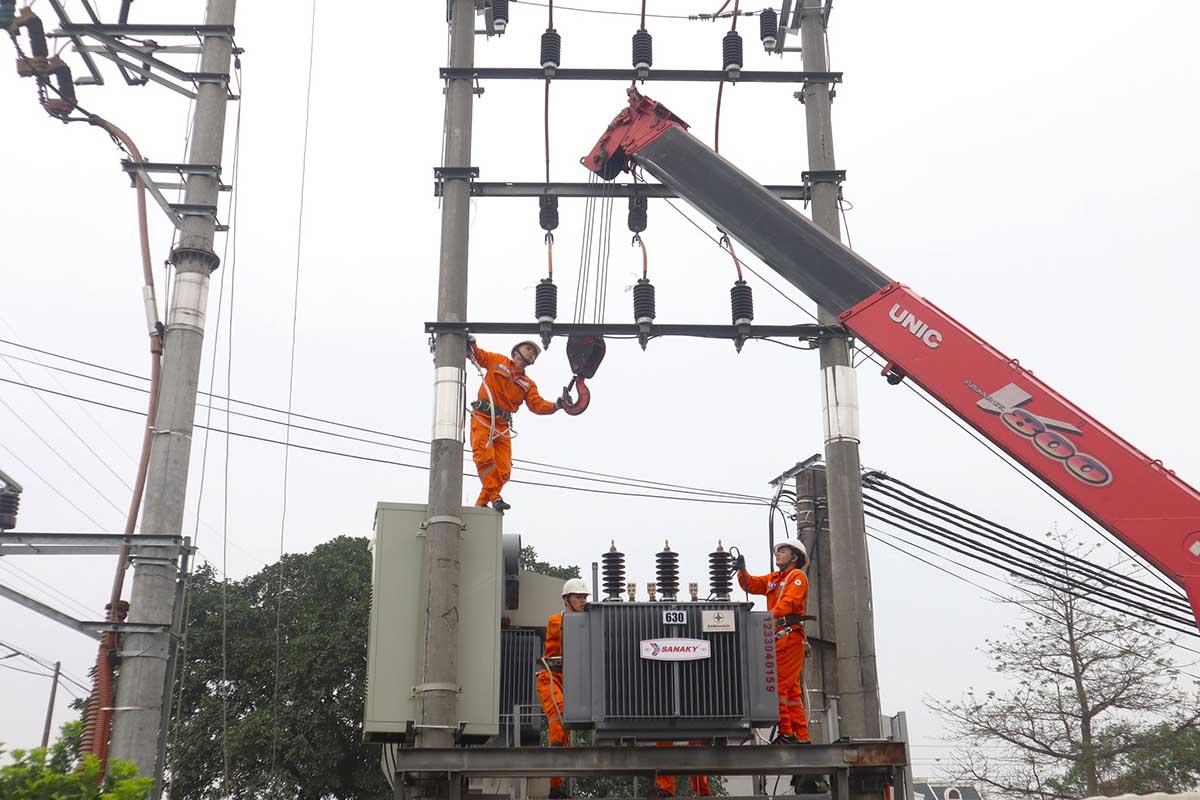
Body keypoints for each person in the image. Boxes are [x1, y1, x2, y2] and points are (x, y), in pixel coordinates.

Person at [468, 336, 562, 513]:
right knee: (485, 458)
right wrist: (471, 342)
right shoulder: (497, 360)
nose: (532, 353)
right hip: (483, 417)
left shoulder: (528, 384)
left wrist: (558, 405)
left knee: (504, 470)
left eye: (534, 353)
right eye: (529, 349)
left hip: (502, 425)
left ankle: (481, 504)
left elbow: (537, 405)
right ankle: (495, 498)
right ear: (516, 351)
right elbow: (477, 356)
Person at [734, 539, 810, 743]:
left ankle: (786, 733)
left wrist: (765, 619)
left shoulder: (797, 577)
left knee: (776, 684)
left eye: (782, 551)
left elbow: (788, 604)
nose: (777, 554)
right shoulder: (775, 579)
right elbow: (752, 584)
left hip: (789, 636)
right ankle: (801, 738)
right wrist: (742, 570)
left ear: (794, 556)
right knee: (792, 692)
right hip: (779, 637)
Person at [536, 578, 589, 799]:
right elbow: (567, 632)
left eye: (585, 597)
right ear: (567, 600)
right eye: (578, 597)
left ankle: (556, 786)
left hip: (571, 679)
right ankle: (557, 770)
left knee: (564, 725)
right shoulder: (557, 620)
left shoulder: (585, 620)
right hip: (550, 677)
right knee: (559, 714)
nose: (583, 601)